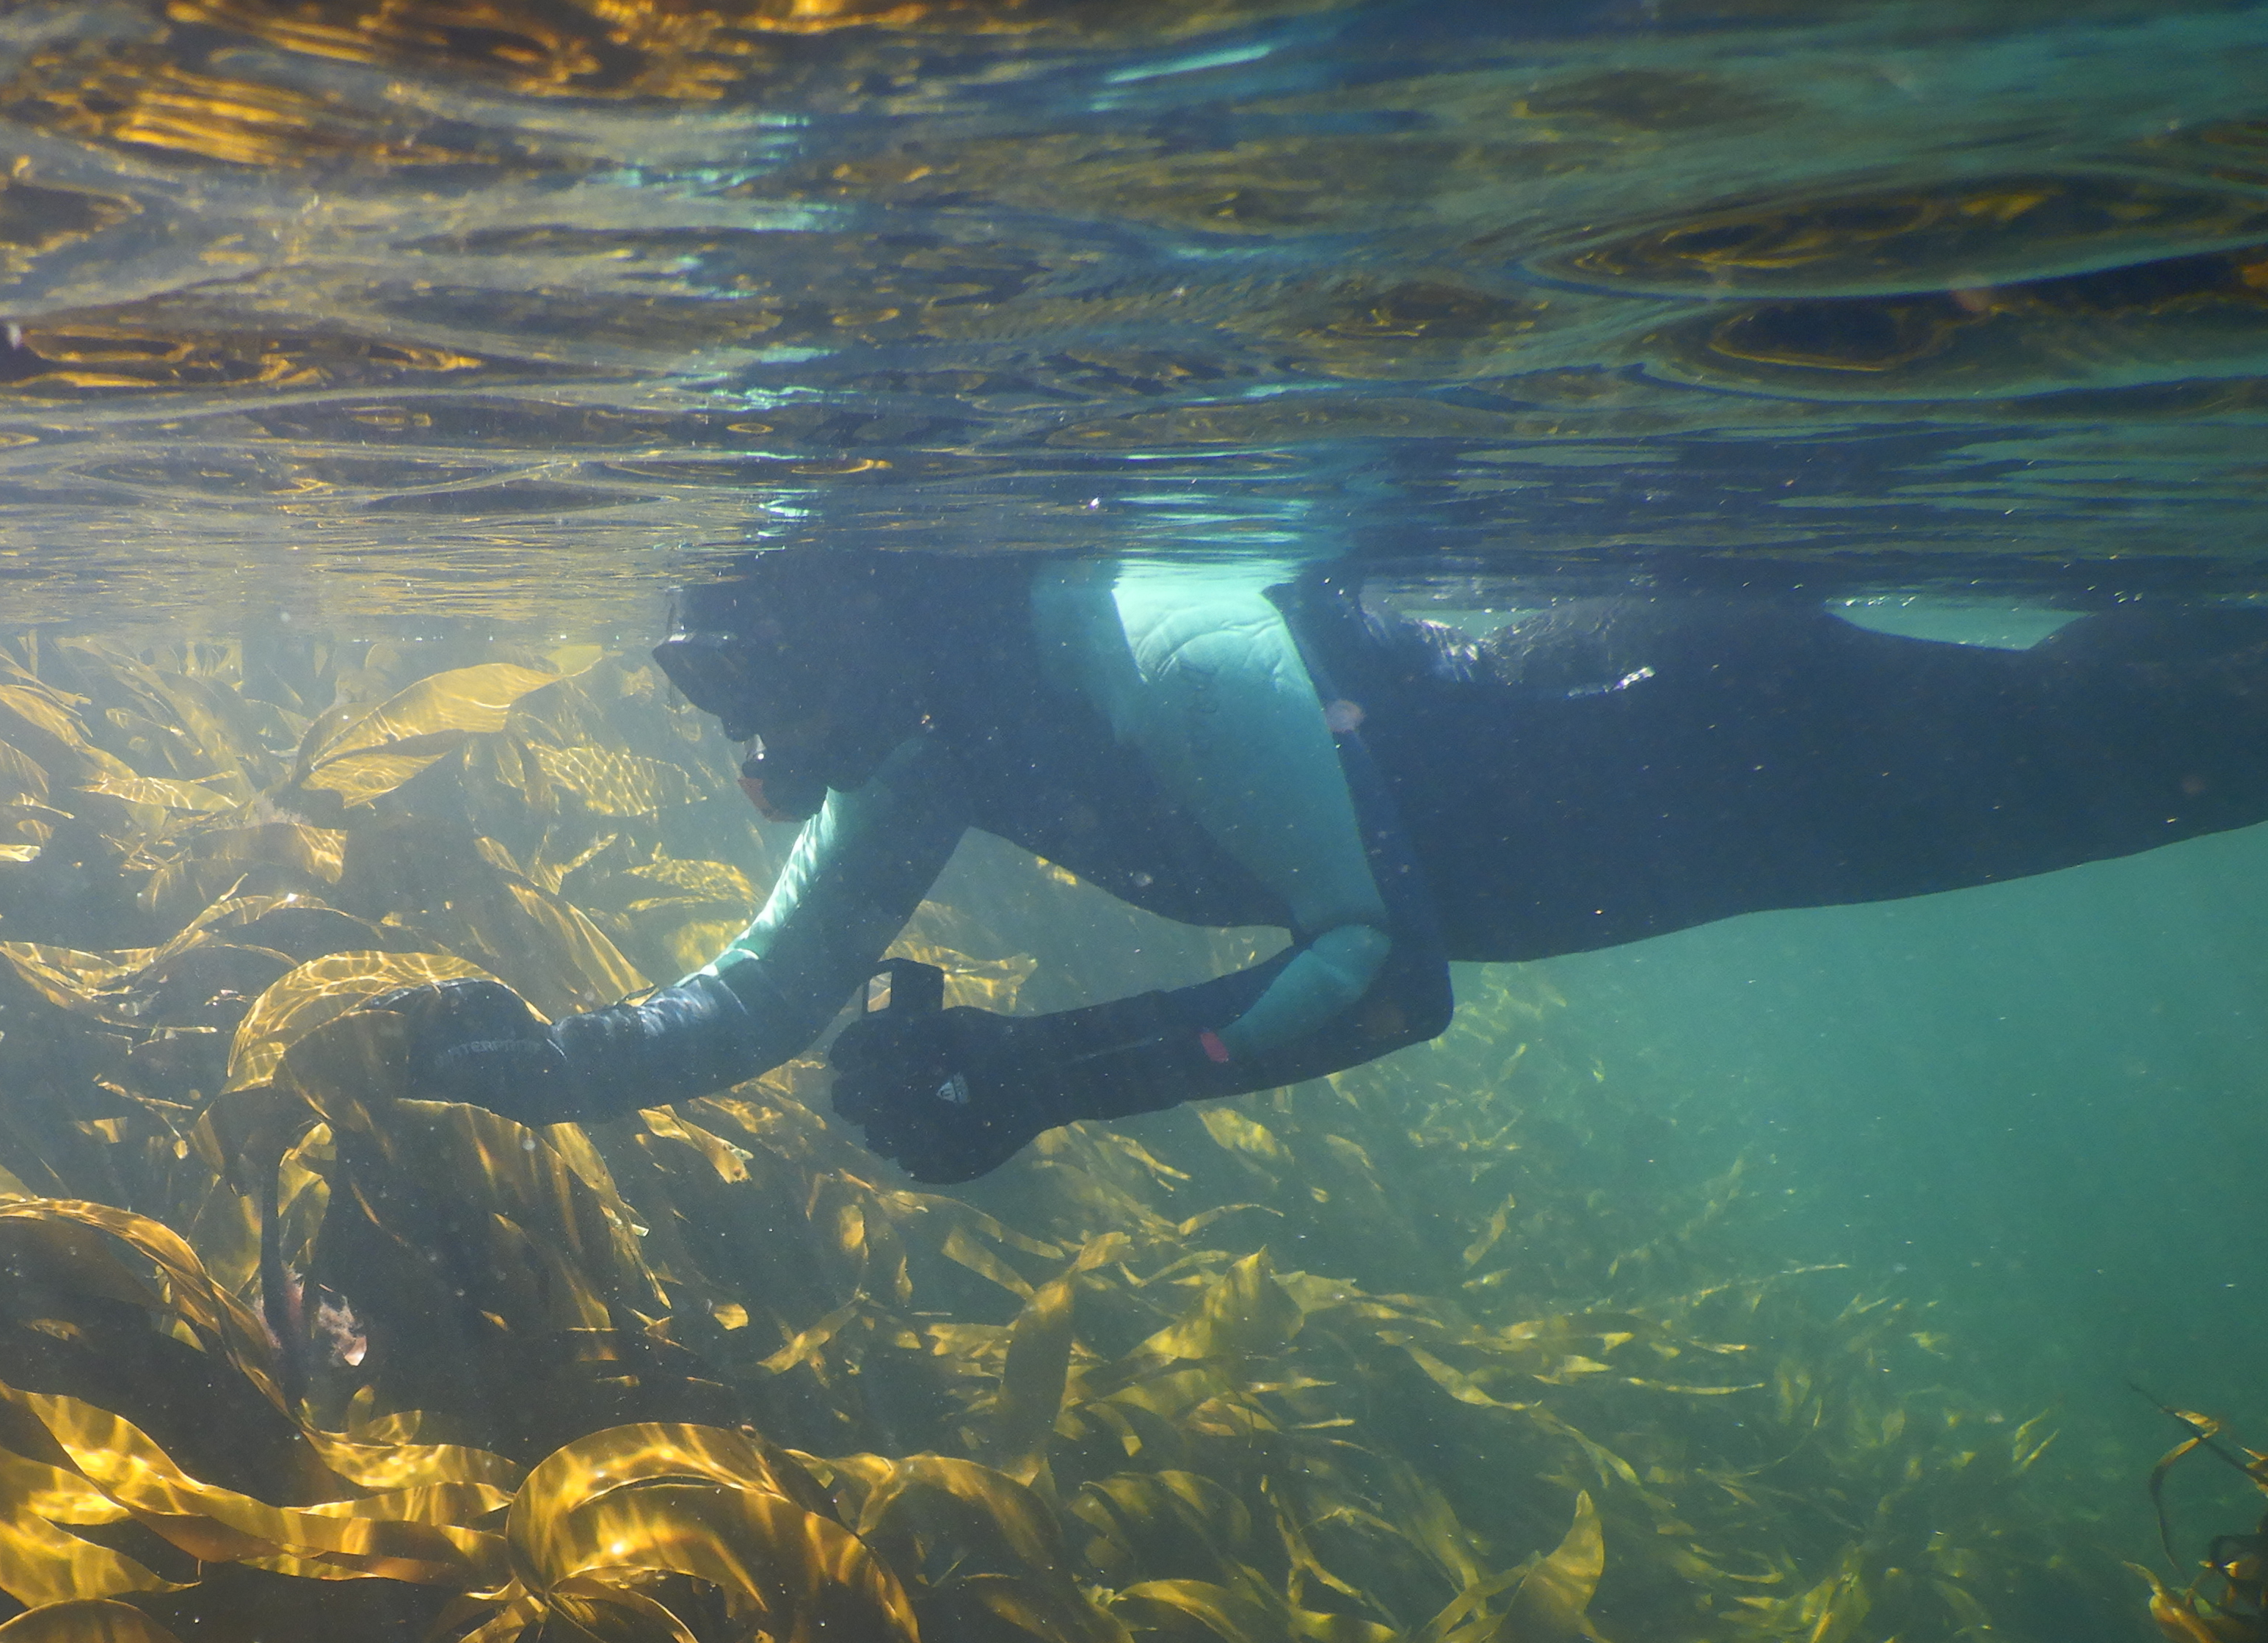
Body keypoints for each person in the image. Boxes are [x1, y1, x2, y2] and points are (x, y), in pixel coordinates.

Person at [374, 549, 2268, 1182]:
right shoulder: (925, 737)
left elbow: (1383, 969)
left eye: (763, 675)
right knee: (2160, 735)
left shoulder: (1151, 641)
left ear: (868, 603)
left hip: (1706, 732)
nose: (760, 753)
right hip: (1692, 822)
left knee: (2176, 738)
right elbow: (769, 992)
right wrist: (543, 1067)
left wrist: (1042, 1077)